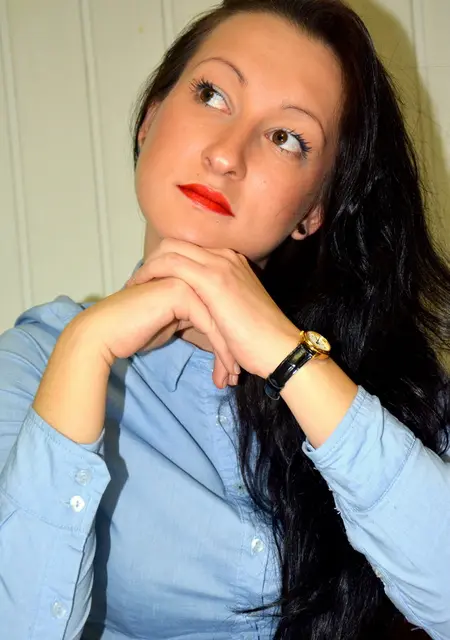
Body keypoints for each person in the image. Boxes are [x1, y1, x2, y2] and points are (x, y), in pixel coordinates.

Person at [0, 0, 449, 638]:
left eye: (286, 138)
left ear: (312, 211)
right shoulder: (34, 365)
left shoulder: (376, 376)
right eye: (212, 95)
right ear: (149, 120)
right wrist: (85, 347)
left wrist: (291, 358)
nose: (227, 155)